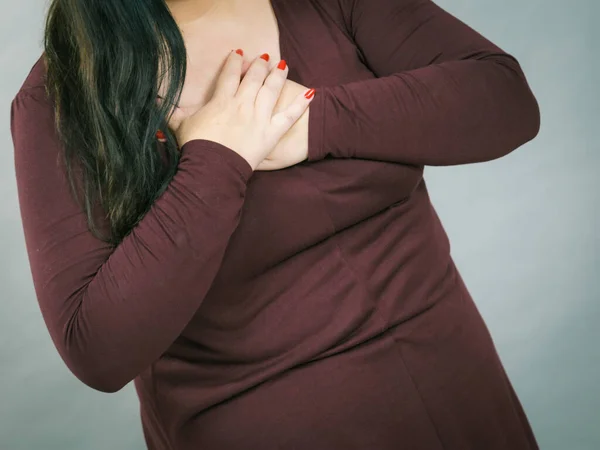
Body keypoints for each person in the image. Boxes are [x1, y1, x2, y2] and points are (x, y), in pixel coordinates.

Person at [9, 0, 541, 448]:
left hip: (456, 397)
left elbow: (503, 97)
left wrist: (314, 121)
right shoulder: (58, 96)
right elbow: (96, 349)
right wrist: (217, 158)